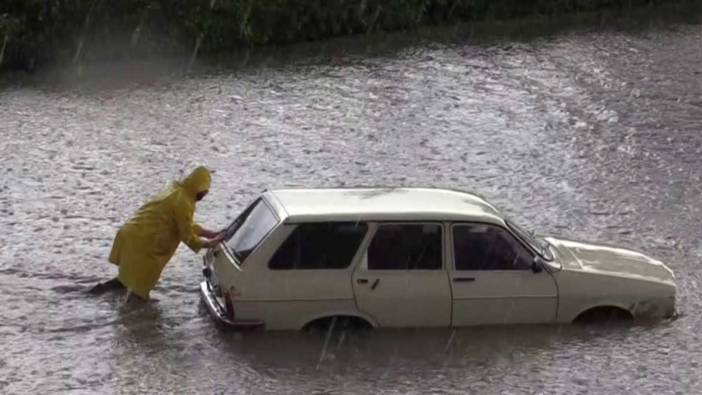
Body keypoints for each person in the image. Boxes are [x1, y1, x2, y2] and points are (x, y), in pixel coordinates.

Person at [89, 166, 224, 300]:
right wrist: (211, 243)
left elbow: (184, 224)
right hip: (144, 241)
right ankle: (136, 313)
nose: (205, 194)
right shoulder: (183, 202)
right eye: (206, 190)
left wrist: (209, 234)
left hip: (132, 233)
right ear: (200, 187)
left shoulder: (178, 191)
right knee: (141, 284)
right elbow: (187, 236)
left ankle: (95, 293)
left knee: (127, 278)